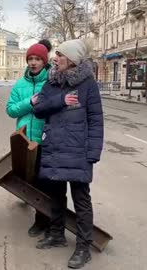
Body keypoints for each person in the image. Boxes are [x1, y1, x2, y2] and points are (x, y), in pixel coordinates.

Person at [32, 39, 104, 269]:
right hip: (54, 148)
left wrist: (93, 152)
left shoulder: (88, 85)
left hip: (78, 152)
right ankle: (57, 235)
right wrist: (60, 100)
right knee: (56, 196)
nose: (55, 58)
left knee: (81, 200)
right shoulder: (52, 82)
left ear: (72, 59)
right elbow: (39, 109)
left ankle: (83, 247)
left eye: (60, 55)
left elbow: (95, 120)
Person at [6, 41, 52, 237]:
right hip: (24, 140)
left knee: (45, 183)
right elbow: (10, 109)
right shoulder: (20, 84)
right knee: (29, 181)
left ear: (44, 61)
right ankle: (40, 219)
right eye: (31, 59)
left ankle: (42, 221)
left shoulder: (52, 82)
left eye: (38, 59)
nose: (33, 63)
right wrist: (30, 102)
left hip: (45, 140)